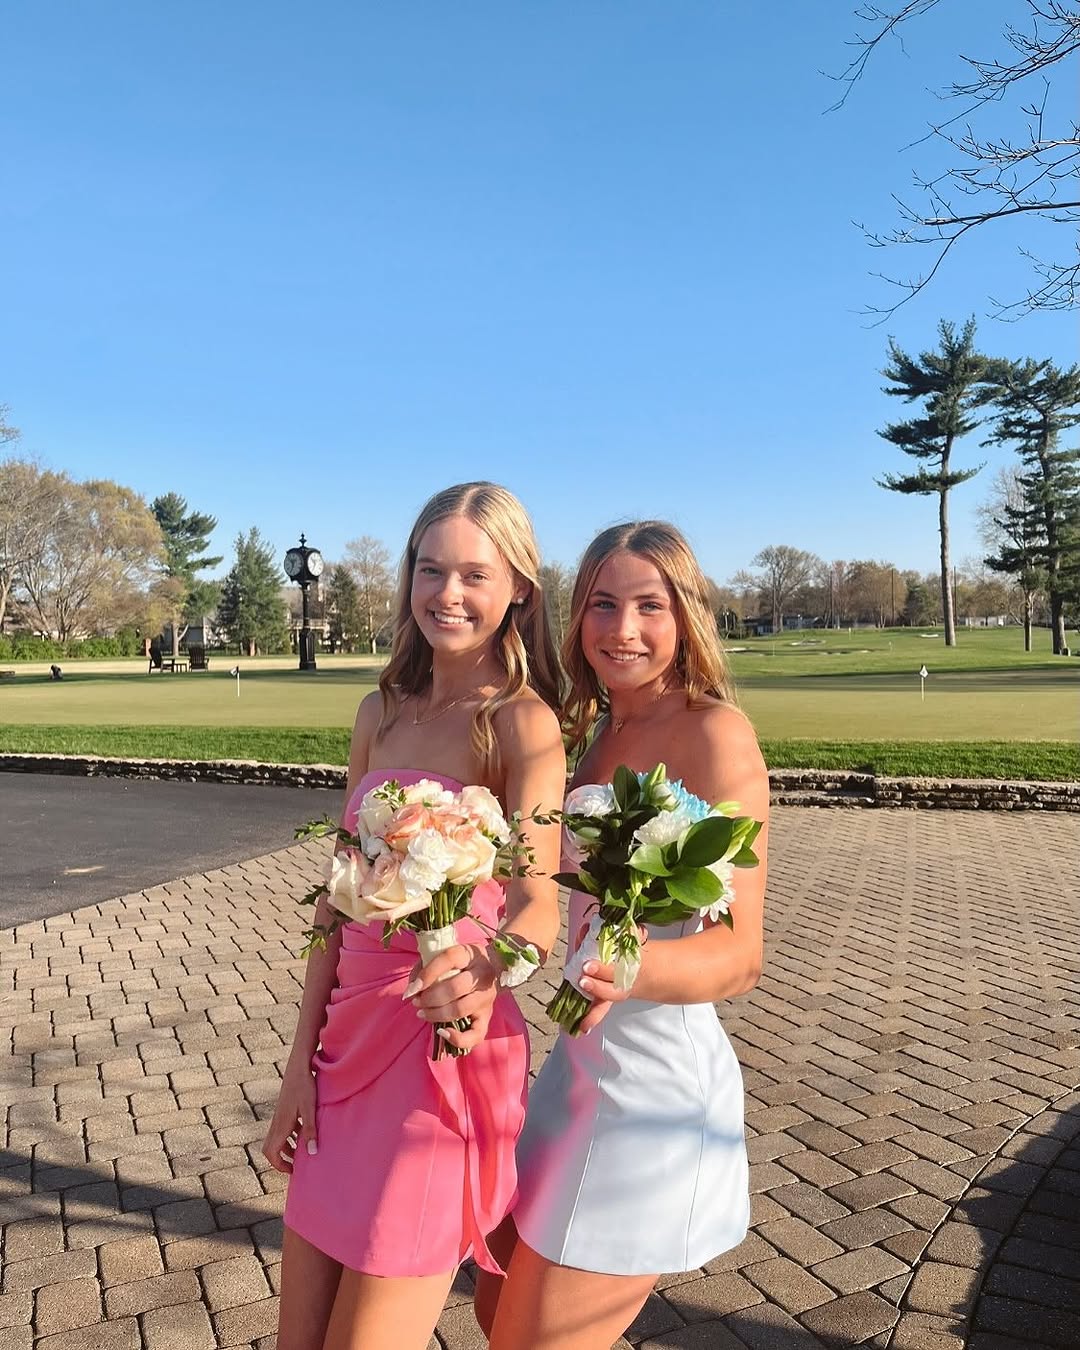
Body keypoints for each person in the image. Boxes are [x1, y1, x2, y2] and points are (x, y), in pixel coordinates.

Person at [263, 482, 566, 1350]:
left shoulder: (522, 725)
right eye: (430, 570)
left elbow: (538, 902)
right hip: (344, 1053)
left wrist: (492, 970)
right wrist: (298, 1069)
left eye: (475, 574)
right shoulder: (379, 713)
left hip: (440, 1056)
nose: (448, 593)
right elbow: (336, 899)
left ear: (519, 588)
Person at [478, 520, 770, 1350]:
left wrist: (626, 970)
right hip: (572, 1073)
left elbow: (740, 955)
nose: (623, 629)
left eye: (650, 605)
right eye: (602, 605)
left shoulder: (716, 733)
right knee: (495, 1308)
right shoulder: (591, 733)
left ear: (686, 615)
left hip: (653, 1093)